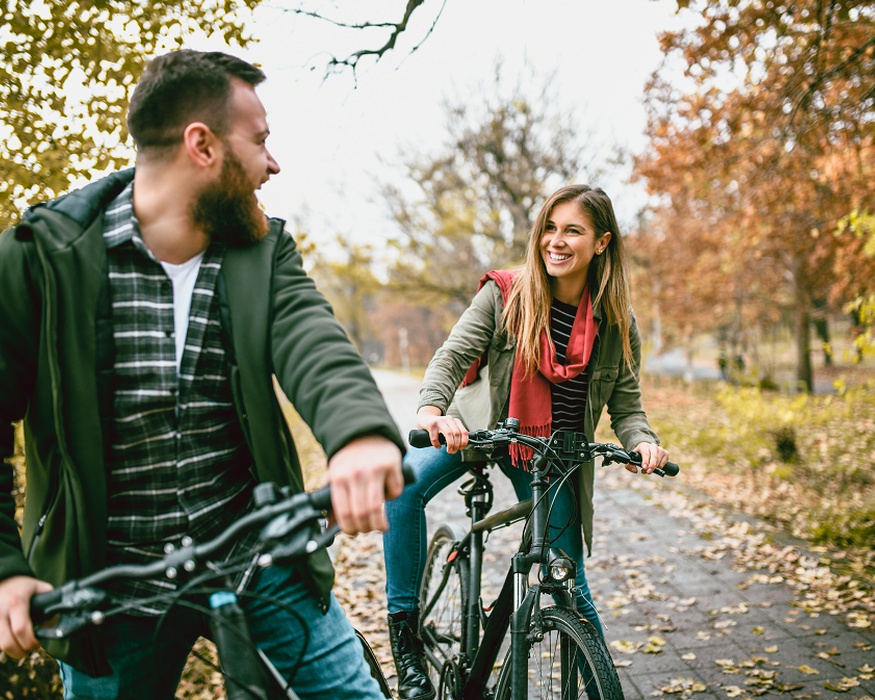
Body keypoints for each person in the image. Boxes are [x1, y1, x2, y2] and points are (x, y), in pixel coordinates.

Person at [0, 49, 405, 700]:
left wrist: (357, 433)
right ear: (202, 145)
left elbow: (314, 342)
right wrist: (5, 570)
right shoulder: (43, 259)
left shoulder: (262, 250)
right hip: (109, 589)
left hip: (258, 553)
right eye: (261, 141)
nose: (273, 163)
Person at [382, 184, 671, 700]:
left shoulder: (616, 321)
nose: (556, 242)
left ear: (601, 243)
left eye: (573, 231)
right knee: (400, 487)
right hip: (480, 430)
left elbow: (626, 406)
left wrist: (643, 442)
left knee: (570, 584)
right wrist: (431, 413)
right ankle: (404, 634)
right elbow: (451, 357)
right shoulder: (506, 294)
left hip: (555, 453)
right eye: (550, 229)